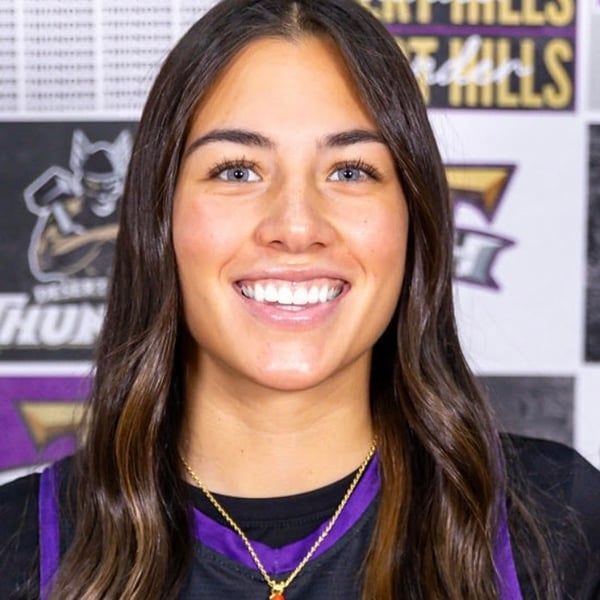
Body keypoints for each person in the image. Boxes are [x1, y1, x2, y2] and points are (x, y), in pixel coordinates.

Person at [1, 0, 599, 598]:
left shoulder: (558, 522)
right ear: (160, 216)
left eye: (349, 171)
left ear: (414, 218)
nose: (295, 226)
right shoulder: (19, 544)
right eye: (238, 171)